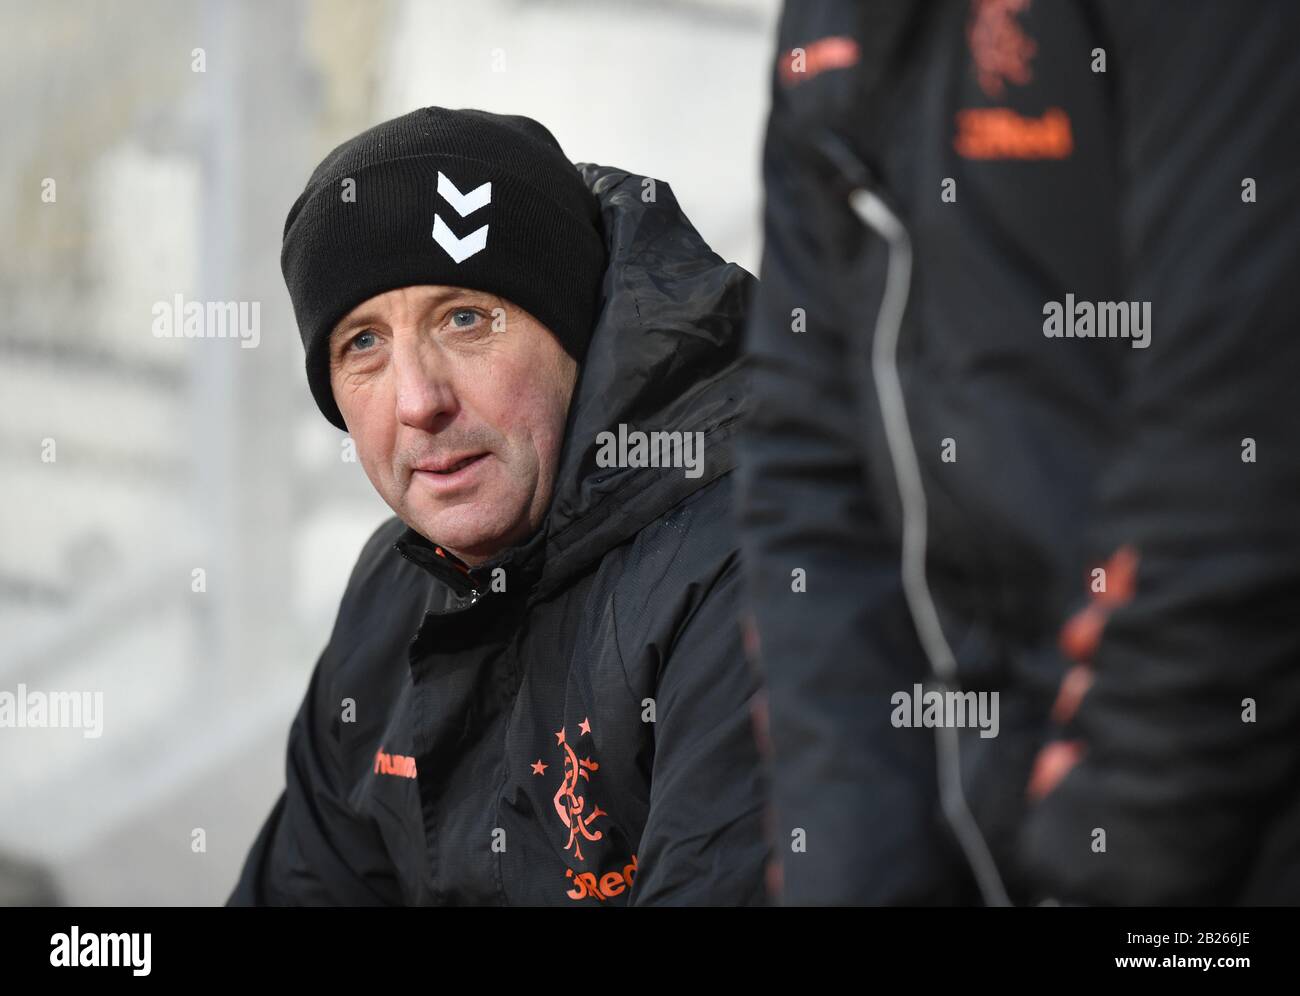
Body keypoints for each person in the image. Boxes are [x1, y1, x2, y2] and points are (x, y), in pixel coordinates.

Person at [737, 0, 1300, 904]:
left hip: (1205, 819)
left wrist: (1107, 863)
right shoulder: (822, 26)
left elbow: (1239, 449)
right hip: (988, 812)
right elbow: (810, 473)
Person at [228, 107, 767, 905]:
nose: (418, 401)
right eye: (363, 344)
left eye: (466, 319)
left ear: (576, 327)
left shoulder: (752, 569)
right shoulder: (394, 588)